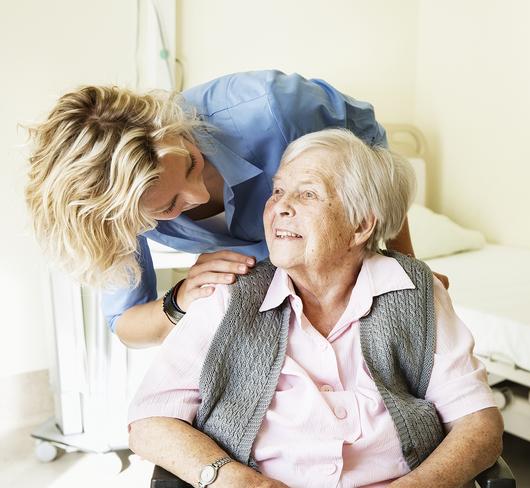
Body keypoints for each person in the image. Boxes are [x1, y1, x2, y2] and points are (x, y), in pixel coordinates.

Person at [128, 129, 503, 488]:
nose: (280, 208)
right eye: (277, 191)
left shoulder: (415, 293)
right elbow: (150, 421)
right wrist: (235, 479)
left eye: (307, 195)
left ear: (360, 226)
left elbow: (478, 424)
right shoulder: (227, 298)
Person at [25, 70, 447, 348]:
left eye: (191, 164)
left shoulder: (273, 109)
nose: (194, 198)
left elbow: (374, 165)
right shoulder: (113, 215)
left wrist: (404, 270)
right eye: (168, 208)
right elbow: (127, 325)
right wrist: (181, 299)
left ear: (170, 129)